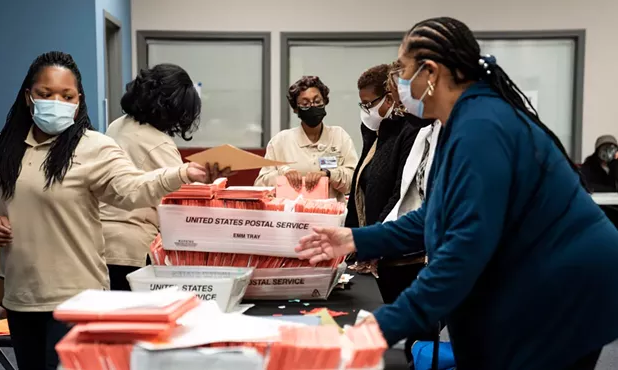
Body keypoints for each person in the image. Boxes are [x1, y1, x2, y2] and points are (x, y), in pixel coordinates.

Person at [296, 17, 618, 370]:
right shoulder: (458, 123)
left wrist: (373, 332)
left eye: (403, 71)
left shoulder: (482, 127)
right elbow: (435, 215)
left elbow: (462, 252)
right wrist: (355, 238)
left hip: (567, 286)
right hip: (548, 277)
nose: (399, 83)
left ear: (430, 72)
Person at [0, 51, 208, 370]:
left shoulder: (94, 146)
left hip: (77, 297)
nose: (56, 102)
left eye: (67, 96)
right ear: (28, 96)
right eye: (45, 94)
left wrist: (182, 174)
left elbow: (132, 188)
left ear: (78, 101)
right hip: (20, 294)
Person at [100, 64, 232, 291]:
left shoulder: (117, 125)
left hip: (101, 243)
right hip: (131, 249)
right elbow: (178, 202)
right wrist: (209, 184)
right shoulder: (158, 143)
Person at [345, 64, 434, 304]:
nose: (366, 111)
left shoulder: (414, 130)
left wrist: (372, 242)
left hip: (405, 255)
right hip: (381, 247)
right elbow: (361, 186)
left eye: (369, 104)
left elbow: (403, 195)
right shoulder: (377, 131)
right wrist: (357, 241)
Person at [254, 76, 357, 201]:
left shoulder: (339, 136)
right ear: (296, 109)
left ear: (325, 102)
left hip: (331, 215)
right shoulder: (280, 141)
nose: (312, 106)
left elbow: (354, 182)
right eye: (305, 104)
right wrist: (283, 173)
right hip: (291, 216)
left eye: (317, 101)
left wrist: (329, 174)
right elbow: (260, 186)